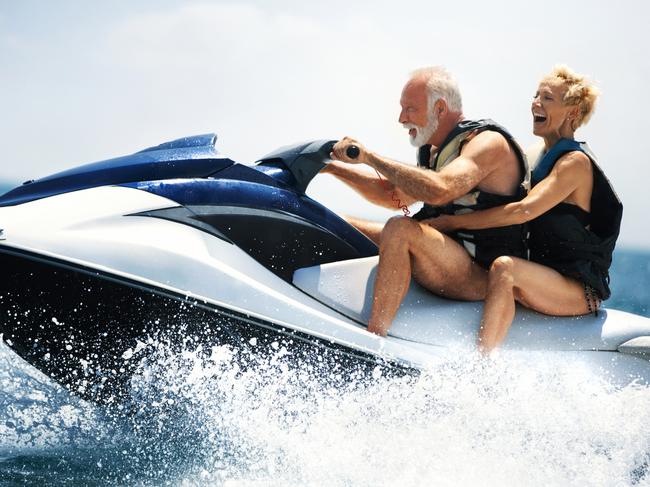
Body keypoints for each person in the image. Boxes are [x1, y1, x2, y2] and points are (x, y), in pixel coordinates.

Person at [425, 65, 623, 353]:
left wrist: (452, 224)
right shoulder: (534, 154)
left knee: (505, 268)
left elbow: (523, 211)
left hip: (579, 288)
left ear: (572, 112)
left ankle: (480, 369)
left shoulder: (574, 164)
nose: (536, 103)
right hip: (543, 275)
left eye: (547, 98)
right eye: (535, 95)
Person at [324, 66, 528, 336]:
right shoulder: (432, 150)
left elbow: (441, 190)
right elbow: (392, 195)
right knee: (335, 222)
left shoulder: (487, 143)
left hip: (478, 273)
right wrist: (330, 168)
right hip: (443, 255)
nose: (401, 118)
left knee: (399, 229)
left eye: (409, 109)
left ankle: (375, 338)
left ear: (440, 109)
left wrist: (370, 158)